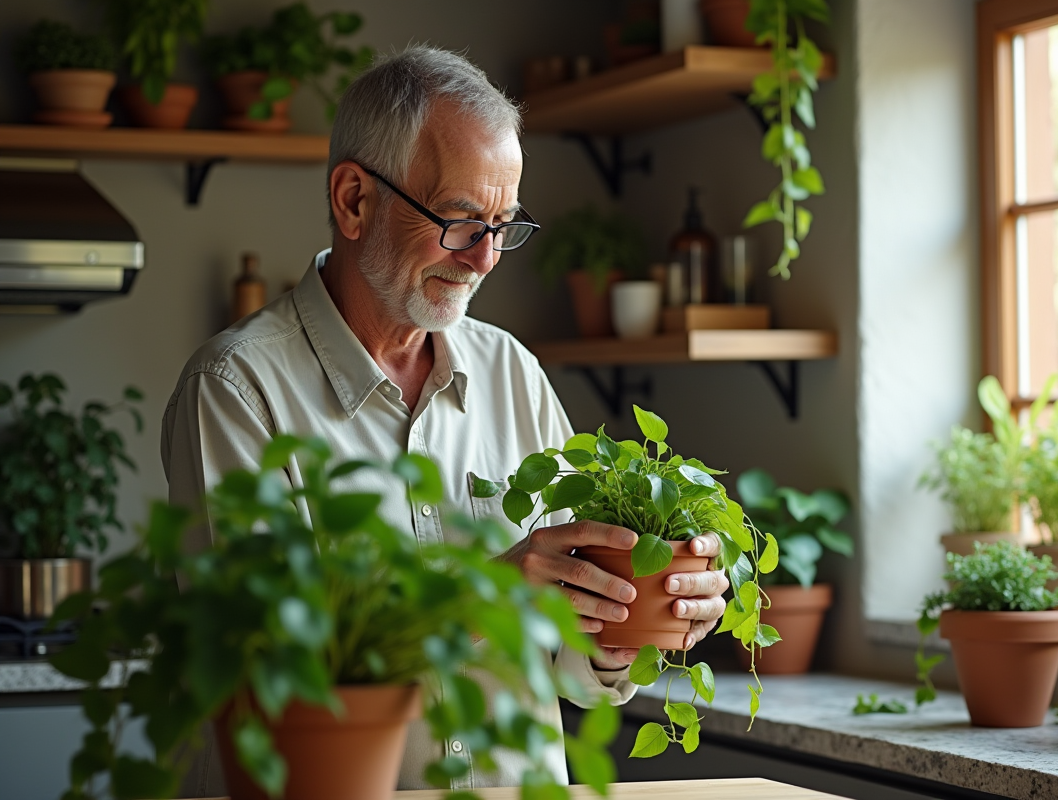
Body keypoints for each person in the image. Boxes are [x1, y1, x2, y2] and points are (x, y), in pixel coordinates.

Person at [161, 45, 728, 794]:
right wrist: (485, 599)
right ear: (355, 200)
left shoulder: (512, 374)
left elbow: (574, 668)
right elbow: (265, 677)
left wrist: (632, 613)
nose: (487, 259)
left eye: (505, 224)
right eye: (461, 222)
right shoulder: (236, 389)